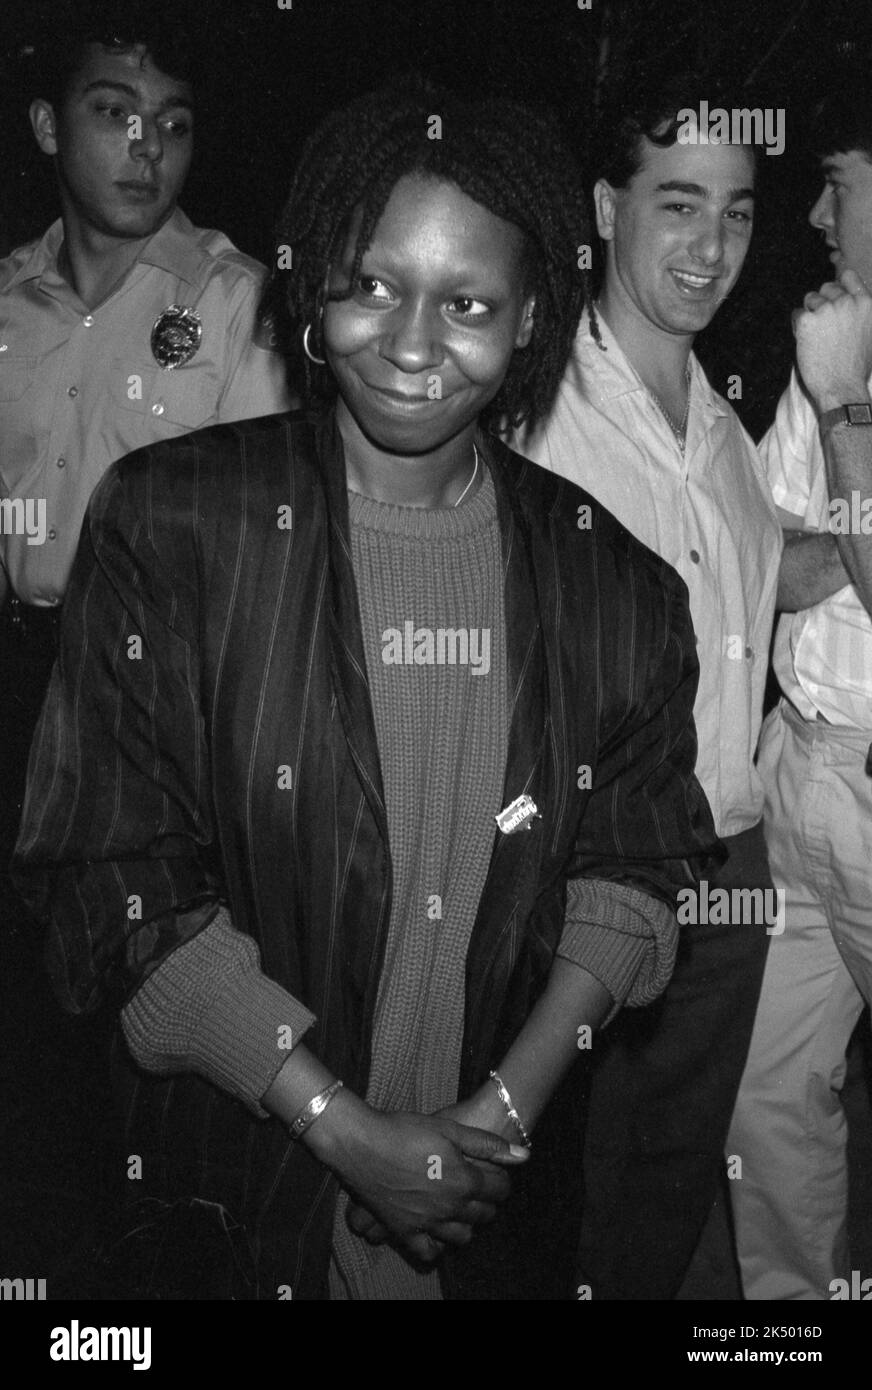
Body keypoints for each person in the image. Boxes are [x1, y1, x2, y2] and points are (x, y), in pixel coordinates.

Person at [14, 76, 719, 1301]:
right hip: (230, 1205)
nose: (406, 344)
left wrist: (495, 1119)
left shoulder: (615, 585)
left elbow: (634, 868)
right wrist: (346, 1132)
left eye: (466, 304)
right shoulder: (176, 524)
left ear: (530, 317)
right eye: (373, 285)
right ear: (317, 280)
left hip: (488, 1222)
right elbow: (110, 877)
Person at [516, 77, 782, 1299]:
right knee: (555, 1194)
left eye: (732, 210)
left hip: (729, 865)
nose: (709, 245)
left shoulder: (726, 435)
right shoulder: (532, 406)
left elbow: (763, 589)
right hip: (585, 870)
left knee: (666, 1191)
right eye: (677, 204)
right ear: (603, 205)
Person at [0, 13, 291, 870]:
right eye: (113, 111)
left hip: (157, 702)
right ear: (48, 128)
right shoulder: (8, 304)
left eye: (172, 123)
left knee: (135, 973)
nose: (146, 145)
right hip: (16, 675)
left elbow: (257, 556)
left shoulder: (240, 307)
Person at [728, 85, 872, 1300]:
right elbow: (769, 563)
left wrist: (841, 411)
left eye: (841, 181)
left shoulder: (832, 363)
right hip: (795, 768)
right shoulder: (836, 327)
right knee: (764, 1098)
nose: (815, 212)